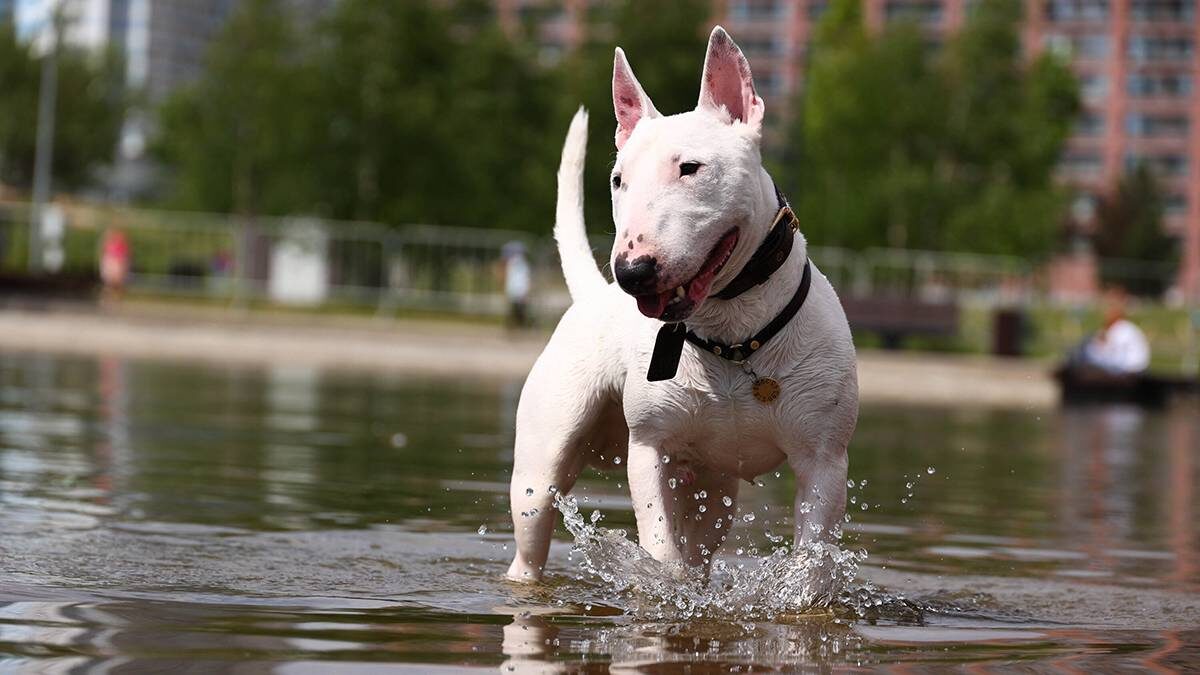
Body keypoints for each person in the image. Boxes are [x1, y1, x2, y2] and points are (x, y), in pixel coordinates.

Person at [1071, 286, 1150, 375]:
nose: (1104, 312)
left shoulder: (1124, 330)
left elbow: (1110, 358)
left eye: (1109, 306)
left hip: (1129, 374)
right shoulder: (1108, 330)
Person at [501, 240, 531, 328]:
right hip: (519, 288)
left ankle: (514, 324)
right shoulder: (521, 263)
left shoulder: (512, 263)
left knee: (515, 308)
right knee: (518, 308)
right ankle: (517, 324)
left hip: (515, 287)